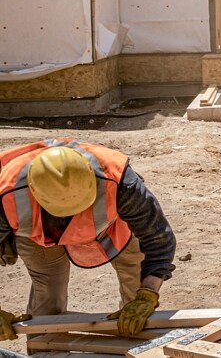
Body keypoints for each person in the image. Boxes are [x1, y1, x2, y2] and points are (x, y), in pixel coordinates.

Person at [0, 140, 176, 340]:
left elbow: (158, 238)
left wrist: (147, 294)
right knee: (47, 289)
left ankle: (139, 344)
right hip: (38, 234)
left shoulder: (119, 181)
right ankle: (44, 346)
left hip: (111, 226)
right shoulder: (6, 192)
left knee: (136, 279)